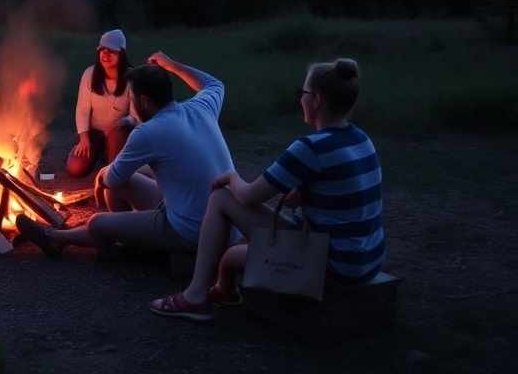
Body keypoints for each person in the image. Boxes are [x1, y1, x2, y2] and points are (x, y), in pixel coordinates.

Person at [149, 58, 384, 322]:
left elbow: (248, 196)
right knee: (231, 256)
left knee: (221, 196)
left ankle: (194, 297)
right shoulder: (361, 139)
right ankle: (224, 290)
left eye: (301, 93)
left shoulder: (311, 148)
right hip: (368, 259)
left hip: (332, 267)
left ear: (317, 100)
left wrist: (230, 176)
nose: (300, 100)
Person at [16, 53, 236, 260]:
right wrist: (171, 64)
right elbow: (214, 83)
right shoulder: (201, 107)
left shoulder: (148, 132)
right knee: (118, 181)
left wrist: (101, 175)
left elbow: (111, 178)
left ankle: (55, 239)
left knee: (97, 223)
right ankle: (126, 244)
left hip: (192, 230)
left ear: (143, 101)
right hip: (224, 222)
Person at [66, 29, 137, 178]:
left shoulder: (132, 78)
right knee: (75, 168)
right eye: (102, 49)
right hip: (95, 133)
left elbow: (136, 116)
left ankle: (112, 161)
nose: (106, 54)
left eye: (112, 51)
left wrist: (122, 121)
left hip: (120, 132)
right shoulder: (89, 75)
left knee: (114, 172)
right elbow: (82, 110)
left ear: (121, 54)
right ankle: (98, 152)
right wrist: (84, 139)